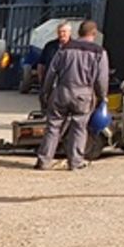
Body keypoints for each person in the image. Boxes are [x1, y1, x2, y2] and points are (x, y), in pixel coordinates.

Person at [37, 20, 110, 170]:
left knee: (53, 127)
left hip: (62, 91)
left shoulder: (64, 49)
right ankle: (75, 162)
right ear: (94, 34)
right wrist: (102, 97)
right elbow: (102, 79)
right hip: (83, 95)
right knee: (79, 127)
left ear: (78, 33)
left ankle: (44, 161)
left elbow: (50, 73)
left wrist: (45, 92)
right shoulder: (99, 52)